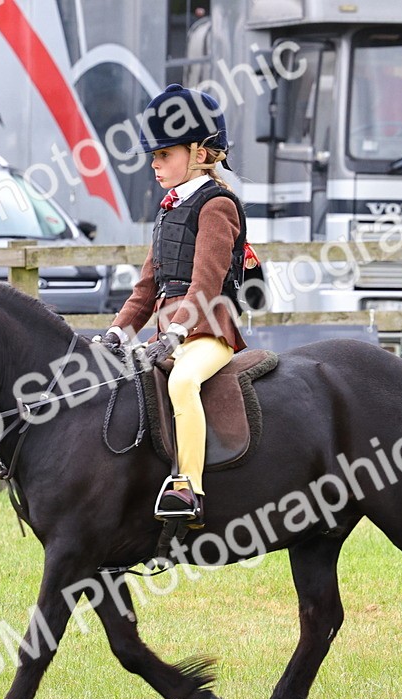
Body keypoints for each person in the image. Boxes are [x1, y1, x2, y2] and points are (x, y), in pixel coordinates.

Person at [99, 83, 248, 527]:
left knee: (183, 383)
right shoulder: (168, 211)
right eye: (154, 156)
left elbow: (206, 283)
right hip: (168, 334)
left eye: (165, 154)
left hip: (207, 332)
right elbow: (146, 288)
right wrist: (117, 332)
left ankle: (190, 489)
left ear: (201, 153)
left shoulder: (216, 205)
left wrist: (178, 333)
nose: (155, 164)